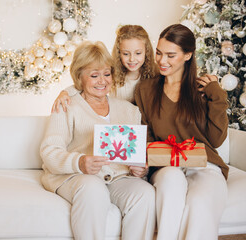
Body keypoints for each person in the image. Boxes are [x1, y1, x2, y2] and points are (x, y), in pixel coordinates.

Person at [40, 41, 155, 240]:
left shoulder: (130, 110)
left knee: (144, 192)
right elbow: (49, 151)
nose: (102, 81)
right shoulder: (66, 105)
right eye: (94, 75)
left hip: (118, 177)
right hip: (76, 177)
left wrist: (141, 170)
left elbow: (135, 156)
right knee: (93, 188)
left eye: (107, 74)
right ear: (79, 78)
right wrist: (80, 162)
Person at [134, 24, 229, 240]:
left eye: (170, 55)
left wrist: (217, 94)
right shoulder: (146, 90)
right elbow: (145, 134)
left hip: (205, 165)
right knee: (171, 180)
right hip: (165, 165)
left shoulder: (203, 90)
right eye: (158, 53)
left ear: (188, 55)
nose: (162, 61)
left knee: (200, 205)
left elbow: (216, 139)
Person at [51, 25, 158, 112]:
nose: (132, 59)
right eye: (126, 54)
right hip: (118, 121)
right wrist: (65, 92)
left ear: (146, 52)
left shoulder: (154, 73)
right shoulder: (111, 71)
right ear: (119, 53)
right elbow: (86, 83)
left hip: (143, 124)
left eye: (138, 53)